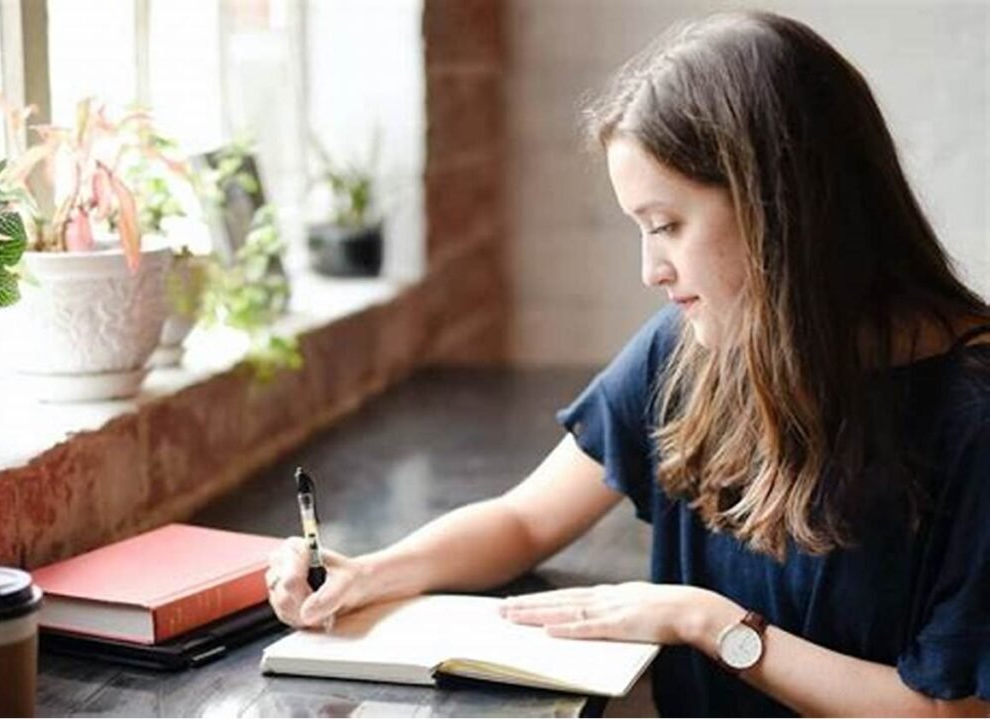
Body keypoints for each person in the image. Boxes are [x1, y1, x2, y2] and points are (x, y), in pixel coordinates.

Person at [267, 10, 990, 716]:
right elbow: (524, 519)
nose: (651, 269)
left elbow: (948, 710)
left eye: (669, 225)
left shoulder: (974, 417)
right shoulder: (692, 347)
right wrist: (369, 572)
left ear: (783, 205)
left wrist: (709, 622)